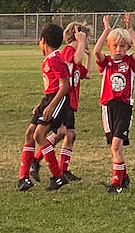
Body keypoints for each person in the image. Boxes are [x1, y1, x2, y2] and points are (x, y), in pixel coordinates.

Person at [30, 22, 91, 182]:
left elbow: (87, 73)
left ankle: (58, 168)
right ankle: (42, 163)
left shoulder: (74, 53)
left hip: (70, 101)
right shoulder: (68, 51)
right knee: (62, 133)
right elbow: (76, 60)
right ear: (76, 36)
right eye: (85, 38)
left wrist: (89, 55)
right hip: (63, 101)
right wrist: (82, 41)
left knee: (68, 134)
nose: (87, 42)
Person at [17, 23, 71, 192]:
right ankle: (23, 178)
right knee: (29, 134)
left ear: (43, 41)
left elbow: (65, 85)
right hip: (48, 98)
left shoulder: (55, 59)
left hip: (57, 100)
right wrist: (42, 105)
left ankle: (58, 176)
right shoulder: (50, 59)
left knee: (39, 135)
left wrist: (51, 106)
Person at [93, 14, 135, 193]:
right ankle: (124, 176)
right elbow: (96, 52)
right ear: (110, 46)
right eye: (115, 46)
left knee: (116, 145)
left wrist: (130, 29)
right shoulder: (106, 62)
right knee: (113, 147)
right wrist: (106, 30)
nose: (118, 49)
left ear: (127, 47)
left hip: (123, 107)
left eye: (122, 46)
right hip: (108, 107)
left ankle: (117, 184)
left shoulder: (130, 62)